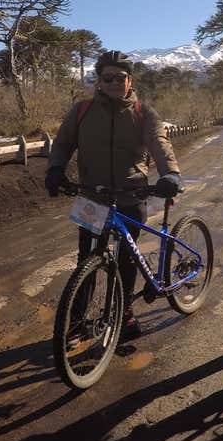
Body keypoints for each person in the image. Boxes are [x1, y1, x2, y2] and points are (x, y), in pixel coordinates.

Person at [46, 50, 182, 341]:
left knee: (126, 259)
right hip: (91, 197)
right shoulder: (82, 111)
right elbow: (63, 143)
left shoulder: (143, 113)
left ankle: (125, 314)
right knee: (86, 260)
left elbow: (159, 143)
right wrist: (55, 168)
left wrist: (170, 173)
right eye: (108, 78)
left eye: (120, 78)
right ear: (99, 80)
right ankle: (77, 323)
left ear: (129, 80)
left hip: (131, 194)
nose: (114, 83)